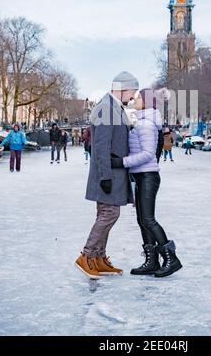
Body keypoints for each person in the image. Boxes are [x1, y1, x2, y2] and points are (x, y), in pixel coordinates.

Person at [111, 89, 182, 278]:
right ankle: (152, 261)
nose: (135, 99)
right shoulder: (141, 122)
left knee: (148, 219)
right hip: (141, 176)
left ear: (148, 102)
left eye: (139, 97)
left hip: (148, 176)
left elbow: (148, 154)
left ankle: (171, 258)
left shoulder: (146, 125)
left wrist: (122, 162)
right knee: (142, 220)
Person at [75, 71, 139, 279]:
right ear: (123, 89)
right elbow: (101, 146)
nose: (133, 97)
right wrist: (104, 176)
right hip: (108, 173)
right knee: (109, 214)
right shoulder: (106, 108)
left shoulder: (113, 107)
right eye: (132, 92)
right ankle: (86, 255)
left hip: (112, 172)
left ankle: (98, 258)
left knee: (106, 214)